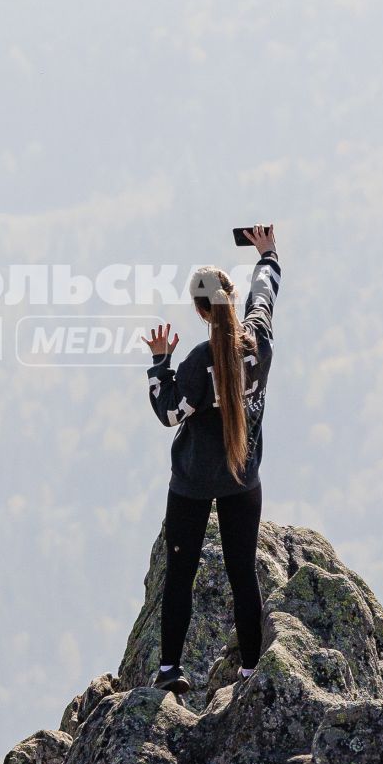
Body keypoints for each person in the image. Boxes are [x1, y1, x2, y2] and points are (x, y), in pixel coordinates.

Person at [141, 225, 281, 695]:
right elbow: (265, 295)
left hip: (194, 483)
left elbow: (168, 412)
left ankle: (169, 671)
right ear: (230, 297)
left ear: (200, 311)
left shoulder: (198, 362)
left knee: (181, 573)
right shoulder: (256, 343)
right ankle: (248, 671)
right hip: (243, 480)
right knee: (242, 572)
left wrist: (160, 362)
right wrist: (268, 253)